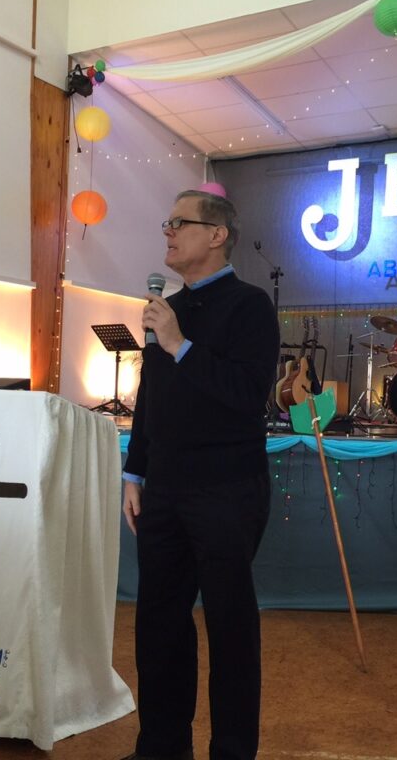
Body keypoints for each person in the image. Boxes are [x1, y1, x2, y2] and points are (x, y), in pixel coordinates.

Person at [120, 189, 280, 760]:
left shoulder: (250, 305)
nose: (167, 232)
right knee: (159, 625)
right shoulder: (169, 310)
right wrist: (134, 471)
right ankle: (160, 749)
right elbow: (151, 398)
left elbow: (246, 395)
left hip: (226, 490)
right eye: (166, 223)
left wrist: (179, 345)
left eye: (179, 223)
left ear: (217, 235)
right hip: (163, 489)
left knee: (230, 627)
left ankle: (232, 753)